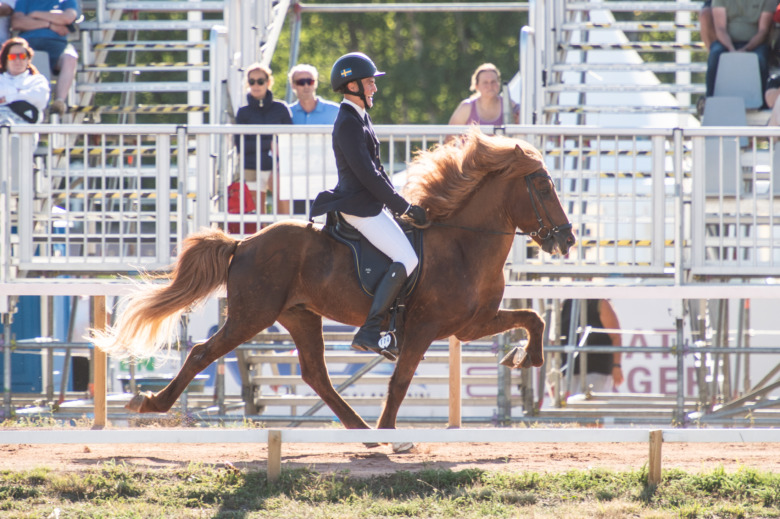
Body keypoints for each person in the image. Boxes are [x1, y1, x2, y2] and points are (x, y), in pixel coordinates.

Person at [309, 52, 427, 359]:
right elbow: (368, 175)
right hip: (360, 207)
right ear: (352, 86)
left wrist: (404, 203)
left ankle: (393, 326)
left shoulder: (360, 117)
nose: (374, 88)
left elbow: (380, 171)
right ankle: (371, 330)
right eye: (369, 82)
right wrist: (401, 207)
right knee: (407, 257)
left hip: (372, 203)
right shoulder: (348, 123)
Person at [233, 62, 293, 213]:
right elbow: (241, 146)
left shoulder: (281, 109)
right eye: (252, 81)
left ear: (268, 82)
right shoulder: (243, 112)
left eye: (260, 81)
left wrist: (258, 143)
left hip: (279, 168)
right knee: (257, 217)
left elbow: (289, 141)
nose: (256, 85)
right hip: (252, 167)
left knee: (284, 215)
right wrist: (271, 143)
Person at [11, 0, 79, 116]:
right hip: (29, 45)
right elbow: (17, 22)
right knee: (21, 57)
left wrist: (35, 14)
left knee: (70, 57)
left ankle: (59, 102)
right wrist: (50, 24)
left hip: (58, 45)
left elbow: (67, 18)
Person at [704, 0, 775, 100]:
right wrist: (731, 49)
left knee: (761, 58)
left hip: (756, 43)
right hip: (726, 42)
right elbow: (720, 28)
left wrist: (746, 49)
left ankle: (763, 102)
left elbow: (763, 31)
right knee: (715, 55)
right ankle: (710, 99)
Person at [560, 299, 624, 394]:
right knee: (570, 406)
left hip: (596, 369)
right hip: (569, 371)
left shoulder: (600, 303)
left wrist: (616, 366)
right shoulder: (567, 303)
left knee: (591, 405)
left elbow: (616, 336)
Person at [448, 63, 518, 126]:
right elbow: (450, 137)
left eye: (493, 82)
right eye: (485, 82)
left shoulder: (510, 105)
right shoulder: (466, 107)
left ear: (498, 83)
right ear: (476, 86)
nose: (490, 86)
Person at [0, 36, 50, 125]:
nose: (18, 60)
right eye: (12, 56)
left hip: (26, 134)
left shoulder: (37, 80)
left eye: (22, 56)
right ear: (5, 60)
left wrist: (8, 98)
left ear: (28, 59)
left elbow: (40, 99)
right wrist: (21, 92)